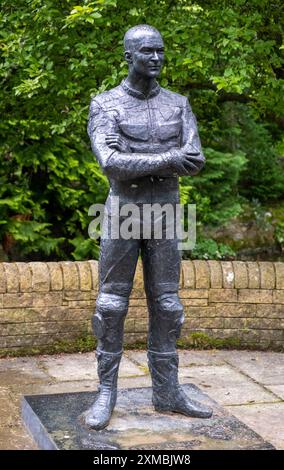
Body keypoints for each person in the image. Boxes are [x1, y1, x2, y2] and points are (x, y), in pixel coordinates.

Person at [83, 24, 213, 430]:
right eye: (146, 52)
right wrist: (169, 159)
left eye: (160, 51)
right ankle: (106, 393)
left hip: (167, 214)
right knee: (111, 304)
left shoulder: (179, 104)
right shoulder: (105, 104)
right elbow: (111, 164)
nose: (155, 58)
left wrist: (154, 158)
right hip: (122, 212)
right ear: (128, 56)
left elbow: (196, 159)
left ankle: (167, 390)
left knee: (169, 305)